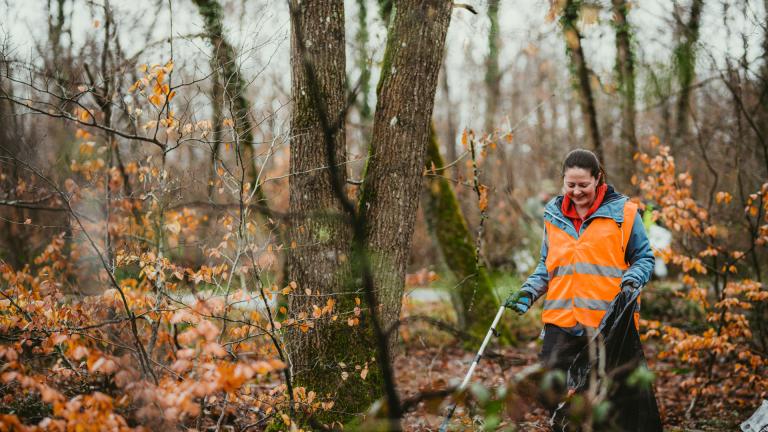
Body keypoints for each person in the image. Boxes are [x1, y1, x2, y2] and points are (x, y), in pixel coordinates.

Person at [504, 148, 656, 430]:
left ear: (598, 179)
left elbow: (645, 258)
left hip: (606, 324)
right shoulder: (553, 214)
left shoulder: (624, 212)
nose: (576, 191)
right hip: (560, 322)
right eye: (570, 184)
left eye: (583, 184)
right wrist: (527, 293)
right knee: (551, 389)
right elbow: (547, 265)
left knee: (604, 396)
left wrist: (633, 279)